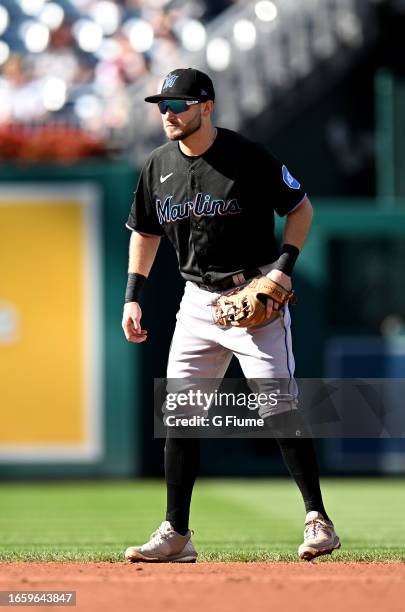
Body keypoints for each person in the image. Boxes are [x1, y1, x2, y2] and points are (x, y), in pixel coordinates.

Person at [122, 67, 341, 563]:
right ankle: (176, 533)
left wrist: (283, 271)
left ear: (206, 106)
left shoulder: (247, 156)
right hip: (197, 301)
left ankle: (318, 520)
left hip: (254, 294)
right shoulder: (156, 166)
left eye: (178, 105)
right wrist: (133, 295)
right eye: (162, 106)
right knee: (180, 414)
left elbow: (300, 208)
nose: (168, 114)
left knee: (279, 407)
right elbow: (145, 232)